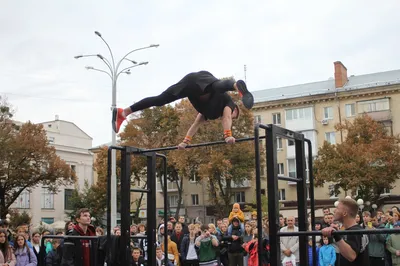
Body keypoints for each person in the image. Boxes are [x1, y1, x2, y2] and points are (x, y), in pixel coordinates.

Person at [112, 71, 254, 145]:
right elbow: (227, 117)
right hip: (204, 80)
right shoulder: (229, 105)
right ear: (235, 109)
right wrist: (228, 135)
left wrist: (185, 142)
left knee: (160, 100)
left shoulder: (207, 114)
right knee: (217, 86)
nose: (228, 117)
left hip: (189, 84)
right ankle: (235, 86)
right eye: (235, 115)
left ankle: (123, 113)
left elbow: (195, 124)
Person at [322, 198, 369, 266]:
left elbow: (351, 256)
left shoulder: (355, 231)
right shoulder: (355, 229)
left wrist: (336, 235)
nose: (334, 210)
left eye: (337, 208)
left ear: (344, 213)